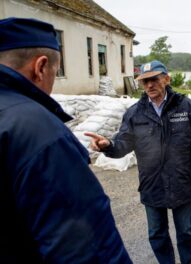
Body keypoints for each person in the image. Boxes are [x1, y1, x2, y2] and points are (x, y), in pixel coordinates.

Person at [0, 17, 131, 263]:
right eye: (55, 71)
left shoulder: (184, 107)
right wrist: (111, 146)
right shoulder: (37, 131)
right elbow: (86, 245)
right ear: (41, 67)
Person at [85, 60, 191, 264]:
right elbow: (122, 144)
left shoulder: (185, 106)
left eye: (154, 79)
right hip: (152, 184)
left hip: (181, 181)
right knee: (157, 234)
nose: (149, 85)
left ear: (166, 79)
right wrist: (107, 144)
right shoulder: (135, 113)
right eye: (144, 82)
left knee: (186, 232)